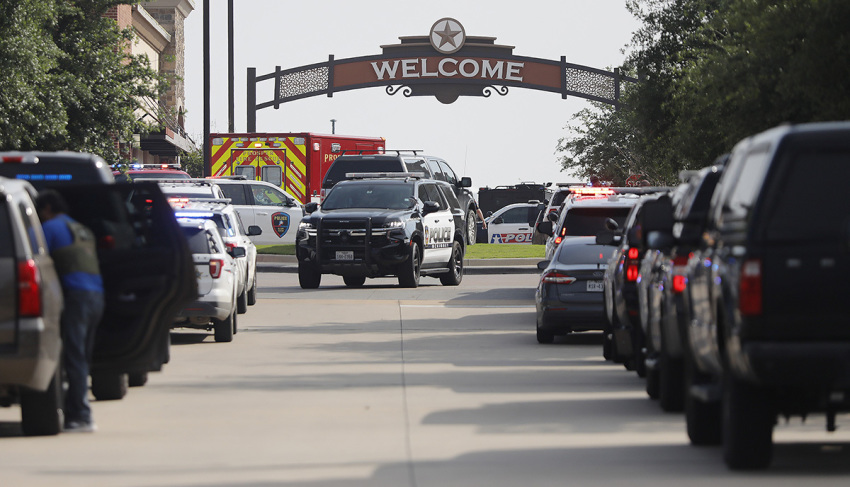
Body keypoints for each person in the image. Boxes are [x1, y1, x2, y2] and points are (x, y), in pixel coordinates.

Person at [35, 190, 104, 433]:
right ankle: (77, 411)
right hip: (96, 296)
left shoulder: (50, 228)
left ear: (46, 209)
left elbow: (35, 260)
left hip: (76, 298)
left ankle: (81, 417)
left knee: (74, 359)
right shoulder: (81, 229)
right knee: (81, 358)